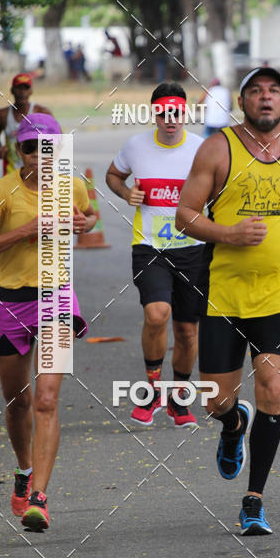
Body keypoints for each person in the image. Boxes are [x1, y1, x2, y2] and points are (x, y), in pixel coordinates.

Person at [175, 67, 280, 535]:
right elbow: (184, 215)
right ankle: (231, 425)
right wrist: (226, 232)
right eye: (256, 91)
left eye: (274, 91)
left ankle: (254, 499)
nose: (265, 98)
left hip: (277, 291)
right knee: (216, 399)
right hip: (223, 291)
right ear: (242, 101)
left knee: (271, 385)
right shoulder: (217, 149)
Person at [0, 113, 97, 531]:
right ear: (17, 150)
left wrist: (84, 223)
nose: (40, 157)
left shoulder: (71, 185)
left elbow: (88, 214)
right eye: (30, 148)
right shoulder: (1, 192)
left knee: (45, 399)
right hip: (9, 303)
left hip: (56, 297)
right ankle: (24, 469)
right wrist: (27, 230)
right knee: (17, 401)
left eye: (49, 148)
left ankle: (39, 496)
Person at [105, 83, 204, 428]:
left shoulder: (202, 149)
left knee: (188, 331)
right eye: (164, 113)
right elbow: (113, 175)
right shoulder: (136, 146)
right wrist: (125, 191)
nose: (171, 120)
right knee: (157, 314)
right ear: (155, 113)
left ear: (185, 112)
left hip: (192, 249)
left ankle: (179, 397)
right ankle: (152, 391)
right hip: (149, 246)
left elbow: (222, 192)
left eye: (177, 112)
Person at [0, 74, 52, 175]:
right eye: (18, 88)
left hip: (38, 173)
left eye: (25, 88)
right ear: (12, 90)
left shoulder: (42, 113)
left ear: (30, 91)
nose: (22, 92)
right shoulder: (2, 115)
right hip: (12, 172)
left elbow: (59, 139)